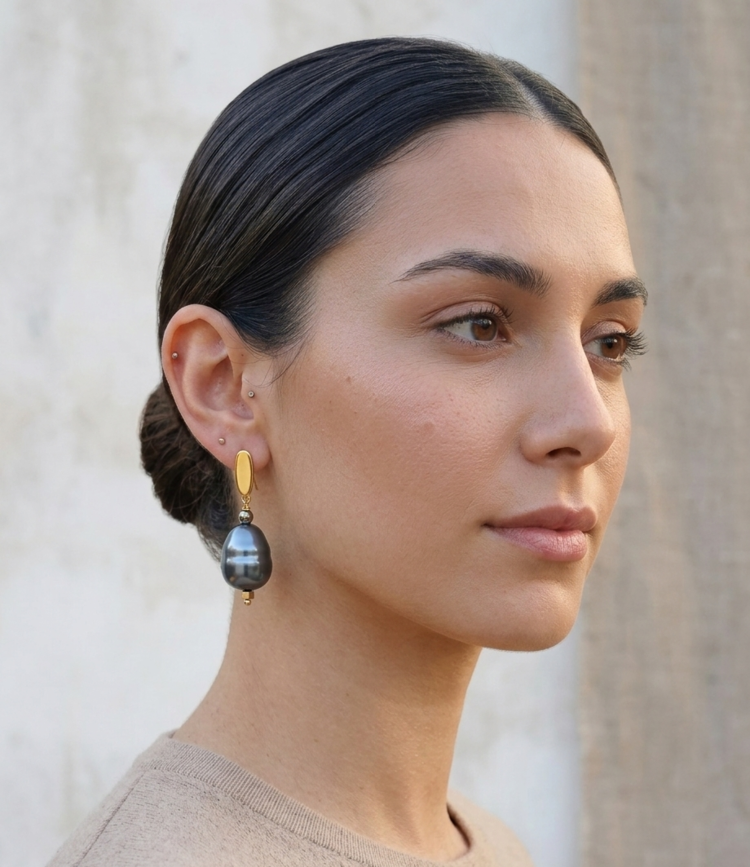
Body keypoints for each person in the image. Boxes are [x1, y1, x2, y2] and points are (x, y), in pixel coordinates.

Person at [48, 37, 647, 867]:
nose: (589, 421)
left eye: (609, 342)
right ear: (225, 386)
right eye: (479, 324)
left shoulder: (486, 844)